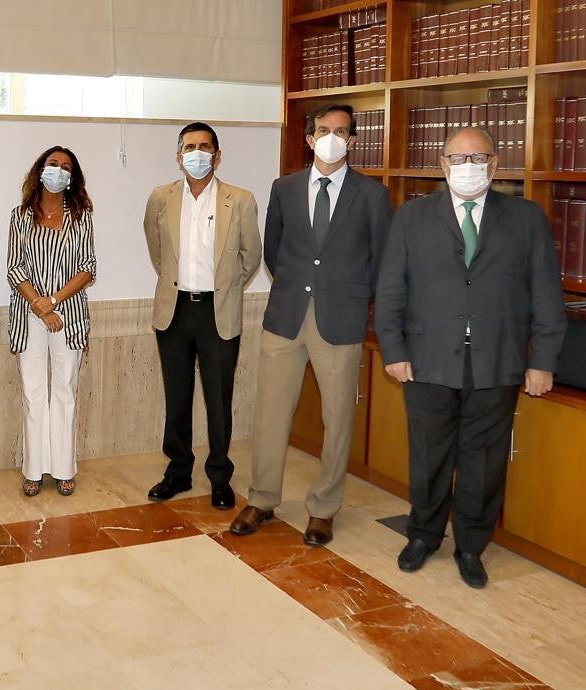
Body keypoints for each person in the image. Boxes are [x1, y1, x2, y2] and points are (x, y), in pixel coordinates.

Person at [375, 127, 566, 588]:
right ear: (442, 165)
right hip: (425, 359)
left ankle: (470, 546)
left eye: (478, 158)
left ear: (495, 165)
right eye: (457, 159)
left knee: (483, 462)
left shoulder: (526, 218)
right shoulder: (412, 217)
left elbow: (545, 293)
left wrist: (542, 359)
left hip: (496, 360)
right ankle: (422, 534)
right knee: (428, 457)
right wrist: (394, 349)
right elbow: (391, 288)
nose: (468, 167)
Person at [230, 104, 392, 546]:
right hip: (285, 317)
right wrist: (298, 286)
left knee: (337, 418)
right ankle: (262, 499)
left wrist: (349, 295)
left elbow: (382, 260)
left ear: (353, 140)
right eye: (324, 130)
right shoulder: (284, 188)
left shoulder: (373, 195)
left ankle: (323, 508)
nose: (332, 138)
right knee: (271, 413)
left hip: (340, 319)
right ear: (309, 138)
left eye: (341, 132)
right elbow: (275, 250)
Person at [143, 122, 262, 511]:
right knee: (177, 397)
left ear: (217, 155)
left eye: (205, 146)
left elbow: (250, 258)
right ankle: (177, 471)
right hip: (174, 311)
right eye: (190, 147)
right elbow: (158, 252)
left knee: (218, 399)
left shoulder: (240, 200)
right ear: (179, 157)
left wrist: (223, 288)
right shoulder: (161, 198)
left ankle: (219, 477)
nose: (197, 153)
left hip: (218, 312)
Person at [8, 146, 97, 497]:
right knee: (33, 394)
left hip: (69, 314)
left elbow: (88, 267)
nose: (58, 170)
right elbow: (15, 266)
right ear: (40, 169)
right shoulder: (20, 215)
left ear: (72, 177)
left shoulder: (81, 215)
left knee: (65, 392)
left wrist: (55, 301)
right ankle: (33, 469)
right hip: (29, 314)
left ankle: (63, 468)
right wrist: (40, 306)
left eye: (65, 167)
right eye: (52, 164)